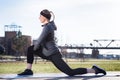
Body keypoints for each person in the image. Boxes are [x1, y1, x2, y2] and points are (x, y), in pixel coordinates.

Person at [18, 9, 106, 76]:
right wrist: (34, 49)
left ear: (44, 17)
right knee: (30, 49)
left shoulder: (47, 27)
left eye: (40, 16)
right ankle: (28, 70)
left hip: (53, 54)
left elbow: (39, 41)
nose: (39, 18)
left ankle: (94, 70)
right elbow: (39, 43)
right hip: (48, 52)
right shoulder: (48, 26)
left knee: (70, 72)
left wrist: (35, 48)